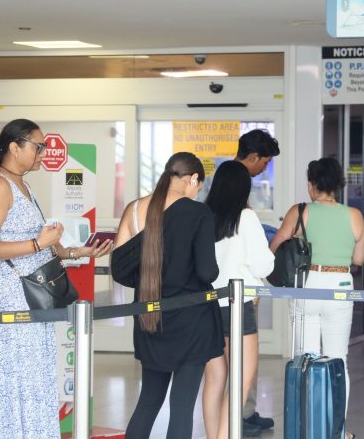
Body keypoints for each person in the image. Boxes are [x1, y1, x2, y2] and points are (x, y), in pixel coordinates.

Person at [0, 118, 111, 439]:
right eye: (38, 146)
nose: (44, 153)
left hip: (29, 293)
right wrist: (37, 243)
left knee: (32, 375)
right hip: (8, 293)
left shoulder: (23, 185)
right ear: (15, 147)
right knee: (12, 377)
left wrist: (78, 253)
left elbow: (41, 244)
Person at [111, 152, 224, 439]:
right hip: (191, 320)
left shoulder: (135, 209)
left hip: (150, 318)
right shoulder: (198, 213)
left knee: (149, 401)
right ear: (193, 179)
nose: (197, 193)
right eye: (199, 186)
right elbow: (207, 272)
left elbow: (120, 270)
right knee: (182, 407)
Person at [271, 157, 364, 439]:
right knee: (338, 359)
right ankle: (337, 430)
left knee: (305, 359)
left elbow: (275, 247)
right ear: (339, 185)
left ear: (312, 185)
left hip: (307, 285)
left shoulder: (300, 211)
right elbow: (359, 259)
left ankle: (308, 427)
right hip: (340, 285)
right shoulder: (353, 215)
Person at [202, 160, 275, 439]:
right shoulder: (245, 217)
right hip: (236, 306)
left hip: (206, 305)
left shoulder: (204, 215)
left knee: (214, 379)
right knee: (241, 381)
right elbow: (264, 266)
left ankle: (214, 436)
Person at [235, 128, 280, 435]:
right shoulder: (234, 187)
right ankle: (237, 416)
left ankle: (246, 412)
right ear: (252, 157)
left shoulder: (236, 185)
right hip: (237, 291)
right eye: (263, 163)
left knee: (245, 357)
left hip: (238, 288)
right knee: (240, 359)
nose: (264, 169)